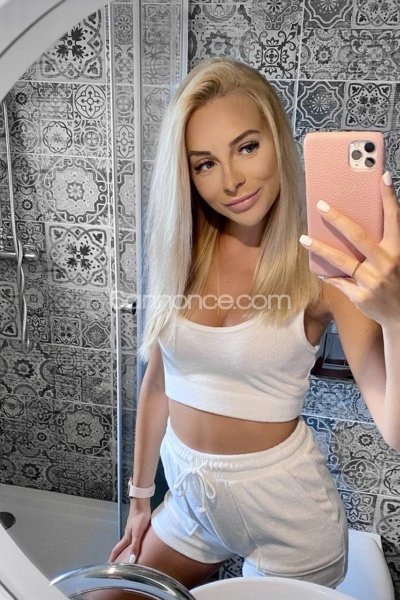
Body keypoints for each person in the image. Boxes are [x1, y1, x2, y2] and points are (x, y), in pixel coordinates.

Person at [108, 57, 400, 592]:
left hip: (285, 520)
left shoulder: (325, 264)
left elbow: (394, 426)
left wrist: (394, 313)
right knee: (107, 594)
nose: (232, 181)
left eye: (246, 147)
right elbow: (158, 382)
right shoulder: (182, 250)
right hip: (190, 502)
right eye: (205, 164)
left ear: (278, 140)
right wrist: (141, 497)